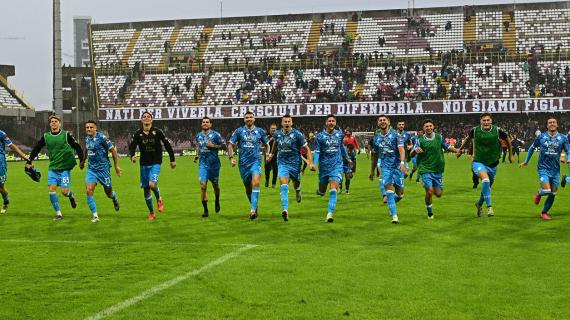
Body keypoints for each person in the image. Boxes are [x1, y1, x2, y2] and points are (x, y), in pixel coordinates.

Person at [27, 115, 84, 220]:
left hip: (65, 169)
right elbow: (37, 147)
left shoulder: (66, 135)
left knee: (64, 192)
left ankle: (71, 195)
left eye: (55, 121)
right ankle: (58, 213)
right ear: (50, 124)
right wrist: (30, 160)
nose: (53, 123)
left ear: (59, 123)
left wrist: (82, 160)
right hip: (53, 168)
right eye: (52, 121)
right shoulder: (46, 136)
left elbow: (77, 146)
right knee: (52, 190)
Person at [456, 112, 513, 217]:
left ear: (491, 121)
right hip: (478, 161)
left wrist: (510, 155)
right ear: (480, 121)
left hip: (493, 163)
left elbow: (508, 141)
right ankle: (490, 207)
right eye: (484, 120)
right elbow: (467, 139)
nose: (486, 122)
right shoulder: (475, 130)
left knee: (486, 186)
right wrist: (460, 150)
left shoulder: (497, 130)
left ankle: (479, 204)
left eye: (488, 120)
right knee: (485, 180)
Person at [129, 111, 176, 220]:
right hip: (144, 164)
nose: (146, 118)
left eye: (148, 117)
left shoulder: (157, 132)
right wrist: (132, 155)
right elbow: (132, 146)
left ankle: (159, 198)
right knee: (146, 190)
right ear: (141, 120)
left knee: (152, 184)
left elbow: (167, 145)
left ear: (151, 119)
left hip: (156, 162)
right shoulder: (138, 133)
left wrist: (172, 159)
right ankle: (151, 213)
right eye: (144, 117)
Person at [520, 117, 570, 220]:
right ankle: (539, 192)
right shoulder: (541, 137)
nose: (552, 124)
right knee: (547, 190)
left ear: (557, 125)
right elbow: (532, 148)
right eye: (550, 123)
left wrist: (569, 159)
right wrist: (526, 161)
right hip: (543, 168)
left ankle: (544, 212)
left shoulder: (563, 138)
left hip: (555, 170)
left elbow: (568, 151)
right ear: (547, 125)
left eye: (554, 122)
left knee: (553, 193)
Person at [268, 114, 315, 221]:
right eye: (285, 121)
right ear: (282, 123)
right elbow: (275, 143)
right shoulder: (277, 134)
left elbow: (307, 149)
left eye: (289, 121)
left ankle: (298, 191)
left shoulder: (297, 134)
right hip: (282, 163)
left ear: (292, 123)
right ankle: (285, 210)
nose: (287, 123)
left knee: (296, 183)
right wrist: (271, 154)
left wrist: (311, 163)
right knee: (283, 184)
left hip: (295, 164)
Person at [410, 119, 457, 219]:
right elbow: (411, 154)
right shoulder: (419, 140)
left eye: (430, 126)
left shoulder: (439, 137)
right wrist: (415, 151)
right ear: (423, 129)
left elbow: (448, 147)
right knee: (429, 191)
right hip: (425, 168)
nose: (429, 128)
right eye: (426, 126)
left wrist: (458, 150)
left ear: (433, 127)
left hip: (437, 169)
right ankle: (430, 212)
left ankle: (433, 186)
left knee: (439, 194)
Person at [228, 111, 270, 220]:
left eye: (251, 117)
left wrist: (268, 154)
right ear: (244, 119)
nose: (249, 119)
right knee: (248, 188)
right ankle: (255, 206)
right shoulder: (239, 131)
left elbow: (267, 144)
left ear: (254, 118)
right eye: (247, 117)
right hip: (243, 164)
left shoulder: (260, 131)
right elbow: (230, 145)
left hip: (256, 161)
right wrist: (231, 158)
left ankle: (252, 210)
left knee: (256, 182)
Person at [369, 115, 407, 224]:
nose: (382, 122)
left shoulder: (396, 135)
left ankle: (393, 202)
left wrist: (402, 163)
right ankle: (394, 216)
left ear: (389, 122)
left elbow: (401, 150)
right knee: (389, 192)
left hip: (397, 168)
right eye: (380, 120)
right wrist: (372, 171)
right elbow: (374, 155)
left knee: (400, 194)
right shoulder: (376, 139)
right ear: (378, 123)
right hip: (385, 168)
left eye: (384, 120)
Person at [314, 114, 351, 222]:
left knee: (333, 189)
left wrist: (347, 158)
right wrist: (315, 163)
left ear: (335, 123)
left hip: (336, 166)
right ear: (326, 123)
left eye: (333, 121)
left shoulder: (339, 135)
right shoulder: (320, 136)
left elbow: (341, 147)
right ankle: (320, 191)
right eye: (329, 121)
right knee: (322, 191)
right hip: (324, 167)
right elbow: (317, 151)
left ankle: (329, 214)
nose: (331, 123)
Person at [82, 120, 121, 222]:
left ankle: (114, 198)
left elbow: (113, 151)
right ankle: (95, 216)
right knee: (89, 190)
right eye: (87, 127)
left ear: (95, 128)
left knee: (108, 193)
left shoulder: (102, 138)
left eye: (91, 127)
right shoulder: (87, 139)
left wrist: (116, 166)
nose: (89, 129)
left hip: (103, 169)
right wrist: (83, 161)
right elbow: (87, 149)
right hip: (91, 170)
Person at [194, 116, 226, 218]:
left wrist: (214, 146)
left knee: (215, 185)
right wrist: (196, 155)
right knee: (203, 186)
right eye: (203, 122)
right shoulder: (198, 135)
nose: (205, 123)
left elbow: (224, 146)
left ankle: (217, 200)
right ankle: (206, 210)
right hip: (203, 164)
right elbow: (198, 145)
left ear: (210, 124)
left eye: (207, 122)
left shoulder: (216, 135)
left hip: (214, 165)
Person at [0, 129, 30, 214]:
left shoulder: (1, 133)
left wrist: (23, 156)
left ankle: (6, 201)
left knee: (1, 188)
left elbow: (11, 145)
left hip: (0, 163)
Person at [264, 123, 278, 188]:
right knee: (267, 169)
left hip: (275, 155)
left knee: (275, 169)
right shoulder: (266, 135)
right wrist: (270, 139)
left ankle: (274, 183)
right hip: (267, 154)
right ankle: (267, 180)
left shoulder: (278, 135)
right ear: (270, 129)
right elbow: (263, 144)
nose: (273, 130)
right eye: (272, 128)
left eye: (274, 129)